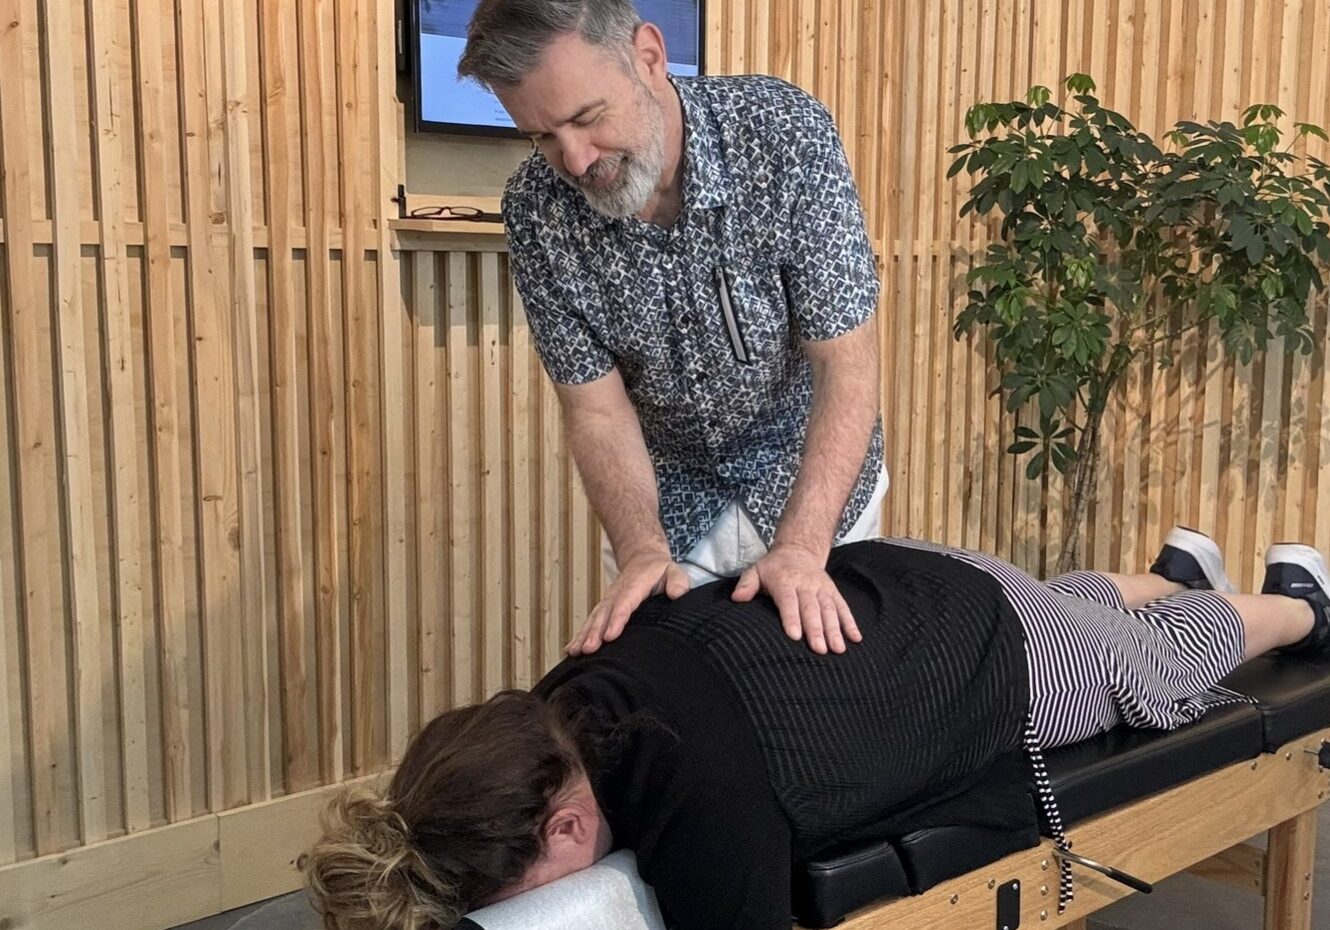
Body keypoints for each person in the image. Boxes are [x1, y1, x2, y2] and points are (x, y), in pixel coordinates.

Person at [303, 528, 1330, 930]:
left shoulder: (707, 810)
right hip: (900, 579)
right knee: (1069, 611)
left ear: (565, 834)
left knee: (1147, 669)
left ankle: (1298, 599)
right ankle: (1172, 572)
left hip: (985, 652)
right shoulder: (578, 683)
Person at [456, 0, 887, 657]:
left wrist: (802, 545)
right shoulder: (536, 211)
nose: (574, 161)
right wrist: (639, 547)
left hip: (818, 496)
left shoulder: (781, 131)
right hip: (666, 518)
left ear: (649, 57)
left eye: (586, 117)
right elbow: (597, 412)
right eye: (542, 137)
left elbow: (846, 364)